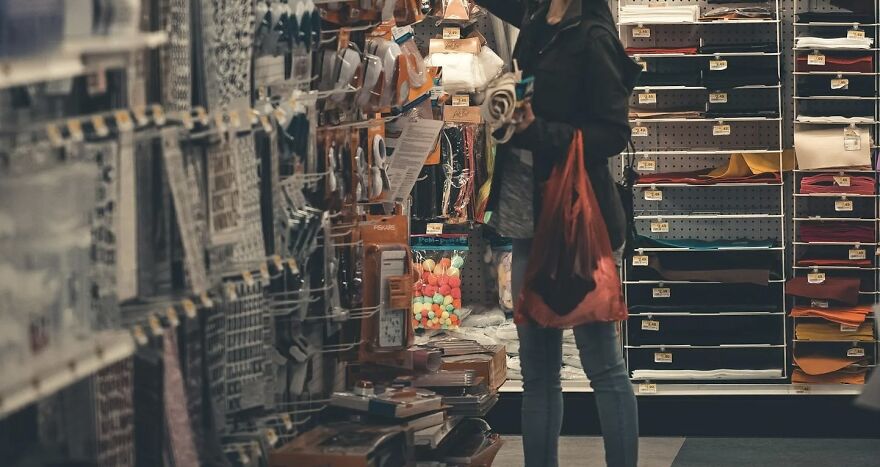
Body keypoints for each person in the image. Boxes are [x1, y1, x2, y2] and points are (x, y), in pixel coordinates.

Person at [477, 0, 642, 466]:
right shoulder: (536, 20)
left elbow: (612, 134)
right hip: (526, 225)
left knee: (603, 366)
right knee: (538, 374)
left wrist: (537, 131)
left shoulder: (592, 36)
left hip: (576, 224)